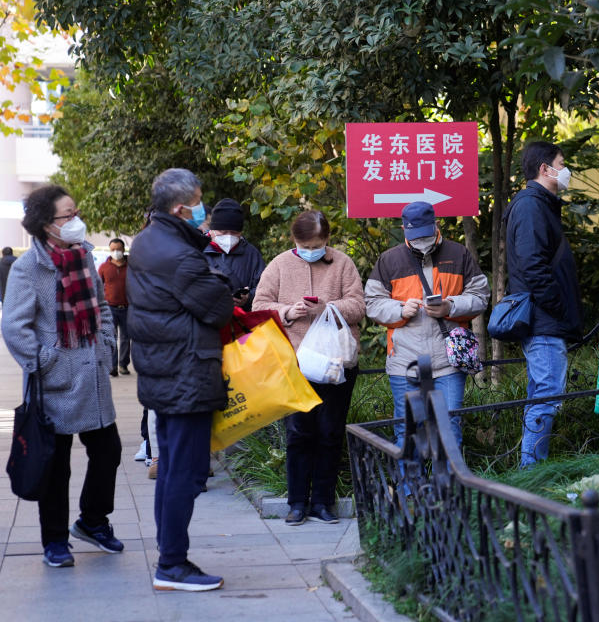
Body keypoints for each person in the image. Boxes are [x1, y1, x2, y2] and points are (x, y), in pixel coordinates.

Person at [1, 185, 123, 568]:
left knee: (109, 451)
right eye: (67, 215)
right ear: (46, 224)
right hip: (56, 380)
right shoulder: (28, 268)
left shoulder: (84, 257)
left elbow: (101, 305)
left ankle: (92, 521)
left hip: (92, 374)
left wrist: (104, 344)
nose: (75, 221)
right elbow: (14, 326)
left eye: (75, 212)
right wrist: (45, 361)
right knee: (57, 465)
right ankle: (54, 540)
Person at [126, 168, 234, 591]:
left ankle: (169, 556)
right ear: (180, 208)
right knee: (185, 474)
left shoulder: (148, 240)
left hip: (164, 370)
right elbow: (218, 307)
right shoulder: (179, 254)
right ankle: (172, 564)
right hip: (186, 373)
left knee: (171, 468)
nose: (203, 211)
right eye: (199, 202)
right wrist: (220, 284)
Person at [253, 210, 365, 525]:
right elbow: (259, 307)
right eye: (306, 244)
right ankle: (297, 502)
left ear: (327, 240)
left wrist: (327, 307)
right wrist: (289, 311)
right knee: (298, 432)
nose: (311, 249)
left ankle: (323, 503)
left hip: (337, 363)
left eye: (317, 244)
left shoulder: (343, 263)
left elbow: (358, 306)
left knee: (330, 432)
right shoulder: (279, 265)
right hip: (295, 361)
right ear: (295, 240)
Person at [365, 201, 490, 464]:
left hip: (449, 362)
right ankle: (411, 495)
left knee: (450, 429)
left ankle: (450, 496)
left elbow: (480, 296)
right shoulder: (389, 259)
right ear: (404, 229)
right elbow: (372, 303)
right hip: (404, 361)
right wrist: (400, 309)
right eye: (415, 235)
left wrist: (450, 306)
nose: (421, 240)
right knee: (408, 432)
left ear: (436, 225)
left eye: (425, 233)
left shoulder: (459, 254)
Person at [504, 142, 582, 468]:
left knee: (542, 395)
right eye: (561, 164)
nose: (565, 171)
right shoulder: (531, 206)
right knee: (548, 396)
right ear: (544, 169)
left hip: (544, 318)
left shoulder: (538, 205)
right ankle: (531, 474)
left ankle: (530, 471)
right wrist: (558, 308)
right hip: (543, 319)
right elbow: (533, 266)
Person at [203, 198, 266, 312]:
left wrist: (249, 297)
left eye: (234, 232)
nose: (229, 236)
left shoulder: (251, 254)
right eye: (223, 232)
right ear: (211, 230)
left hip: (242, 322)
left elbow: (265, 286)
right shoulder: (197, 250)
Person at [97, 239, 131, 377]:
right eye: (113, 249)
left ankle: (123, 365)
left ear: (123, 250)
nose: (116, 252)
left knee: (125, 338)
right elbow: (98, 287)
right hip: (109, 308)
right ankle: (112, 366)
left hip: (128, 307)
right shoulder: (104, 267)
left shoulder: (131, 267)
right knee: (111, 338)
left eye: (118, 249)